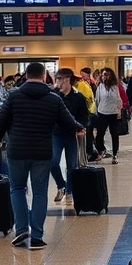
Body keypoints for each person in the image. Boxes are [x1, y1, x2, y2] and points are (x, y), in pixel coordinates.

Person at [0, 62, 84, 250]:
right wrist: (80, 127)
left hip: (17, 151)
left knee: (17, 189)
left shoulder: (13, 96)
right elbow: (69, 122)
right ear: (43, 77)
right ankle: (37, 235)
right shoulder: (53, 99)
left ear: (25, 75)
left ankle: (22, 230)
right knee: (39, 192)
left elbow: (1, 123)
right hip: (42, 152)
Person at [51, 68, 90, 203]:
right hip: (56, 134)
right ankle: (61, 185)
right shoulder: (54, 95)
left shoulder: (78, 97)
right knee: (53, 162)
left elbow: (84, 116)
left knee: (72, 165)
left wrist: (81, 127)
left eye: (59, 79)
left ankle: (69, 191)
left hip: (71, 135)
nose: (57, 82)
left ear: (67, 79)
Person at [93, 67, 124, 164]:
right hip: (102, 112)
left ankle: (114, 155)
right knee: (100, 135)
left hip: (113, 113)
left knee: (114, 134)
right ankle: (101, 150)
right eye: (102, 75)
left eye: (106, 75)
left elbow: (118, 100)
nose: (104, 77)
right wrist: (97, 111)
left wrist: (119, 111)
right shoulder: (100, 87)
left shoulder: (115, 87)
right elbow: (97, 100)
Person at [75, 67, 98, 161]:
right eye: (81, 75)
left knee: (88, 134)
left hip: (89, 112)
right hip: (90, 111)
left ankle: (92, 152)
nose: (83, 77)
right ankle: (92, 151)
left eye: (84, 75)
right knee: (89, 134)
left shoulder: (85, 85)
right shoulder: (86, 84)